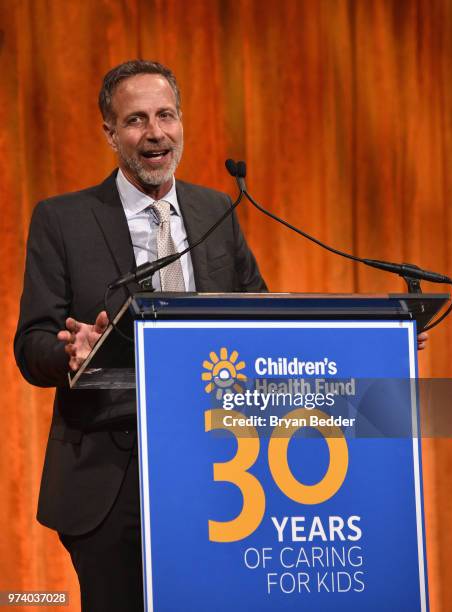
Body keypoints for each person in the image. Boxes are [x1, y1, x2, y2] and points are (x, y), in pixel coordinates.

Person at [14, 60, 267, 612]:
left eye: (165, 116)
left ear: (182, 123)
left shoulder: (216, 210)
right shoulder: (63, 219)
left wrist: (373, 336)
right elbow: (31, 341)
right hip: (110, 476)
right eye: (135, 120)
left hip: (219, 472)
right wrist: (69, 354)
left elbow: (262, 319)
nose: (154, 132)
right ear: (110, 134)